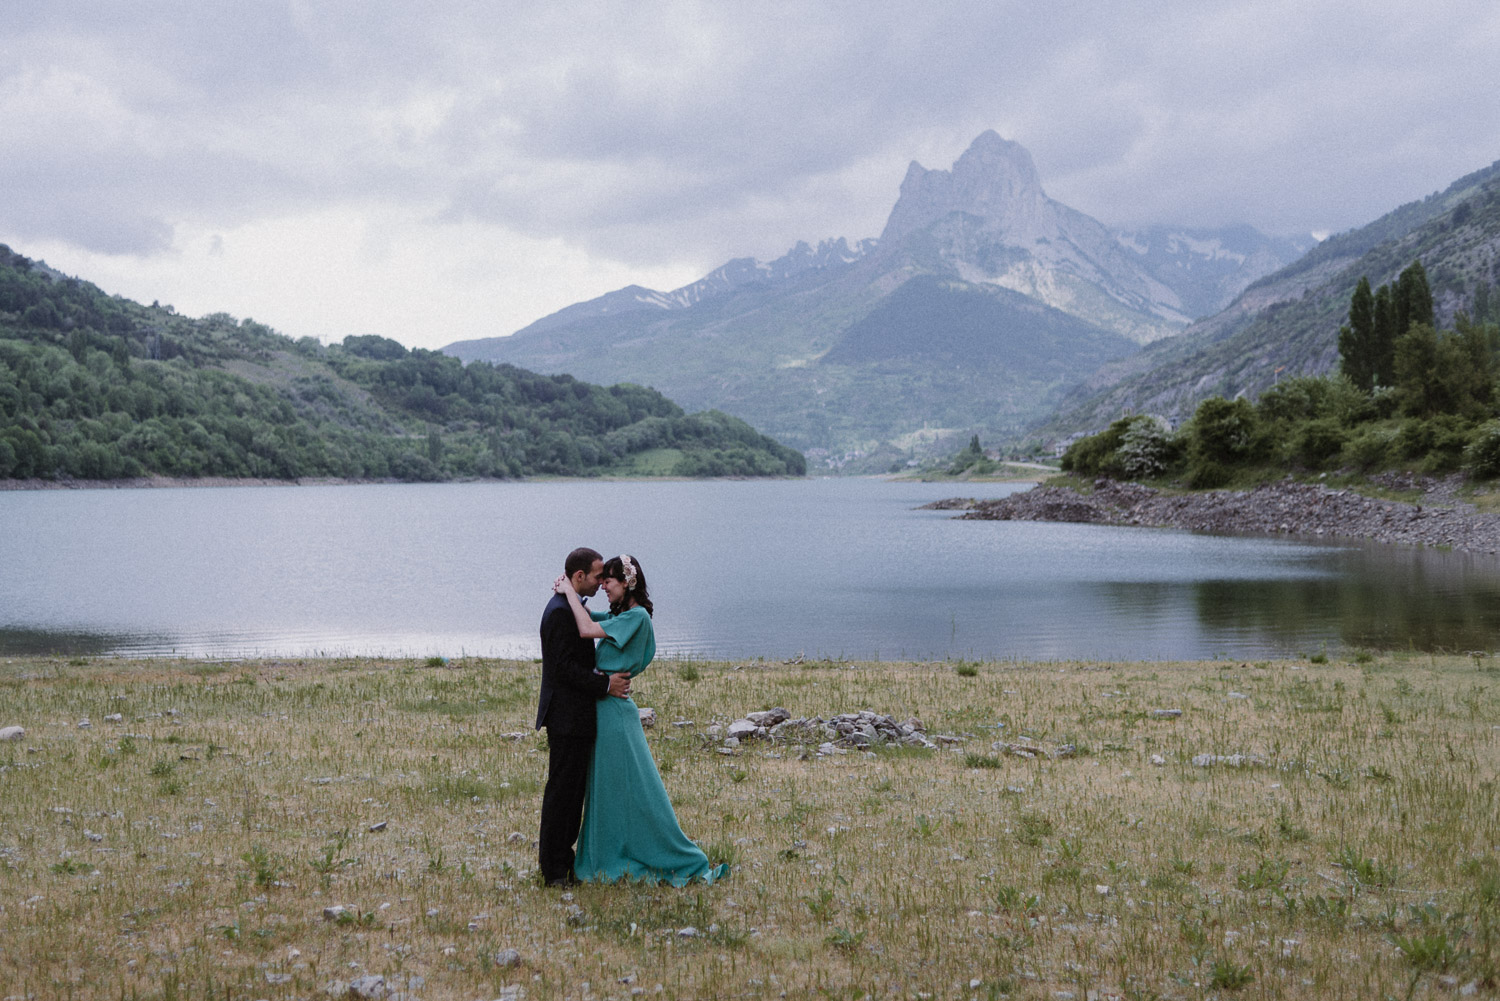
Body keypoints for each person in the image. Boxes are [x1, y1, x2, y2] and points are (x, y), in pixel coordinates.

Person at [554, 554, 728, 885]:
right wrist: (571, 593)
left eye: (609, 580)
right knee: (610, 788)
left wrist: (568, 594)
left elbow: (586, 627)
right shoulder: (625, 616)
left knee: (632, 788)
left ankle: (662, 853)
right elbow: (593, 616)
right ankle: (612, 848)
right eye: (601, 579)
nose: (603, 585)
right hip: (607, 708)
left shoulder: (636, 618)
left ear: (628, 582)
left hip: (613, 712)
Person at [536, 547, 631, 887]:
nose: (602, 580)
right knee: (563, 792)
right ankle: (554, 870)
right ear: (579, 577)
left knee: (571, 792)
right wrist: (606, 684)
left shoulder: (568, 606)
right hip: (566, 718)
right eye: (596, 576)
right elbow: (564, 669)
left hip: (572, 717)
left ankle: (562, 861)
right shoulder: (561, 612)